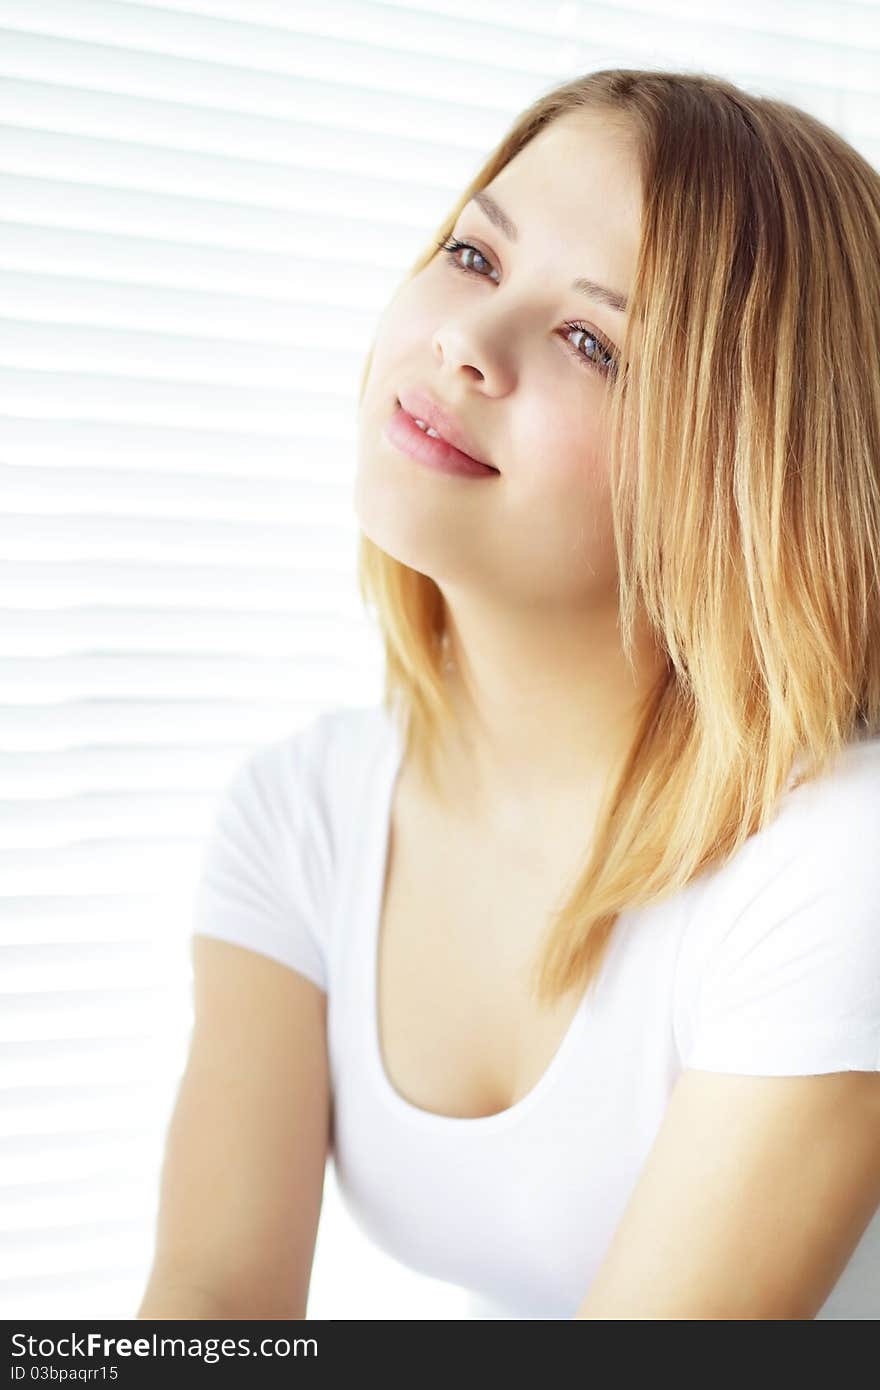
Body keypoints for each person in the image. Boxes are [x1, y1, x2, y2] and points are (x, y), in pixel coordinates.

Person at [138, 68, 880, 1321]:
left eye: (591, 341)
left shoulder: (835, 864)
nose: (463, 346)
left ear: (747, 475)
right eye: (475, 255)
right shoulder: (302, 812)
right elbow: (207, 1307)